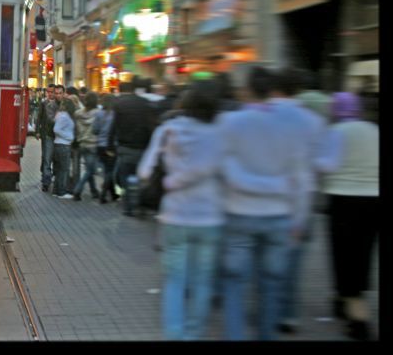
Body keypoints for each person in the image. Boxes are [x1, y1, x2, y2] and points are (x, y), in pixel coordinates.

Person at [217, 67, 310, 341]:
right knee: (271, 285)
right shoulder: (291, 124)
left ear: (246, 90)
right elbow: (302, 177)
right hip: (279, 215)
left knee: (234, 284)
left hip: (239, 214)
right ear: (272, 90)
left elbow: (222, 169)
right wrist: (299, 218)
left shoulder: (230, 122)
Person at [138, 80, 227, 340]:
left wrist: (170, 178)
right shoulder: (221, 134)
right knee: (202, 282)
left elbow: (144, 171)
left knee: (174, 281)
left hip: (175, 214)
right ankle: (193, 334)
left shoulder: (169, 130)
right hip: (210, 216)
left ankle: (174, 334)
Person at [270, 67, 339, 335]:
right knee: (293, 262)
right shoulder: (313, 121)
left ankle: (271, 310)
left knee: (268, 259)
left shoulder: (264, 117)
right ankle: (289, 314)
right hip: (302, 199)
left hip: (268, 199)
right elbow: (327, 163)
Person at [324, 92, 378, 341]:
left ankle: (357, 316)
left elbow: (328, 165)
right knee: (362, 252)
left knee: (343, 252)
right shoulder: (373, 129)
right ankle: (345, 298)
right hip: (373, 199)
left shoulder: (337, 132)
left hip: (343, 198)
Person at [106, 78, 157, 216]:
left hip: (124, 147)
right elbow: (151, 127)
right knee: (139, 176)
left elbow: (113, 126)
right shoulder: (146, 104)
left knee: (125, 176)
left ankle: (128, 205)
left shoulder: (120, 104)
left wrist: (109, 145)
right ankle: (138, 203)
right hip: (142, 148)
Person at [72, 92, 101, 201]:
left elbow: (75, 128)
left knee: (89, 168)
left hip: (82, 143)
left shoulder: (78, 113)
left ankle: (94, 191)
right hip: (93, 144)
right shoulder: (98, 113)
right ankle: (77, 190)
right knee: (90, 170)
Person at [36, 85, 62, 192]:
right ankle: (45, 181)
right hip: (47, 134)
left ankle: (50, 177)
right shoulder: (44, 103)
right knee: (46, 157)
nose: (51, 94)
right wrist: (37, 131)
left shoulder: (61, 104)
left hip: (58, 136)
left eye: (52, 92)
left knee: (53, 158)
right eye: (49, 92)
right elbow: (39, 117)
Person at [94, 94, 118, 204]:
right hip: (111, 145)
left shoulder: (99, 114)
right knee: (110, 171)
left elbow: (95, 130)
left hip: (100, 145)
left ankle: (113, 194)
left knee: (106, 169)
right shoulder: (115, 115)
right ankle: (103, 194)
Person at [53, 98, 77, 199]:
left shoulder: (61, 115)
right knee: (64, 169)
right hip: (64, 145)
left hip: (59, 145)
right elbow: (56, 129)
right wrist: (69, 137)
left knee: (59, 169)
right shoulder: (65, 116)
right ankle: (61, 192)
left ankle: (57, 190)